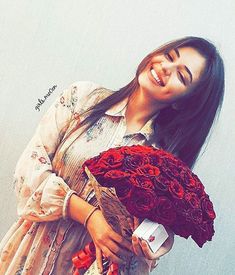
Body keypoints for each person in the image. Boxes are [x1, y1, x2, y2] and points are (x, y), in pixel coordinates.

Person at [0, 36, 224, 275]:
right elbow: (28, 171)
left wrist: (149, 245)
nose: (165, 68)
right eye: (169, 57)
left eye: (181, 76)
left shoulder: (164, 163)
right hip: (26, 257)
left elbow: (136, 251)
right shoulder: (83, 98)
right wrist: (89, 216)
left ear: (183, 102)